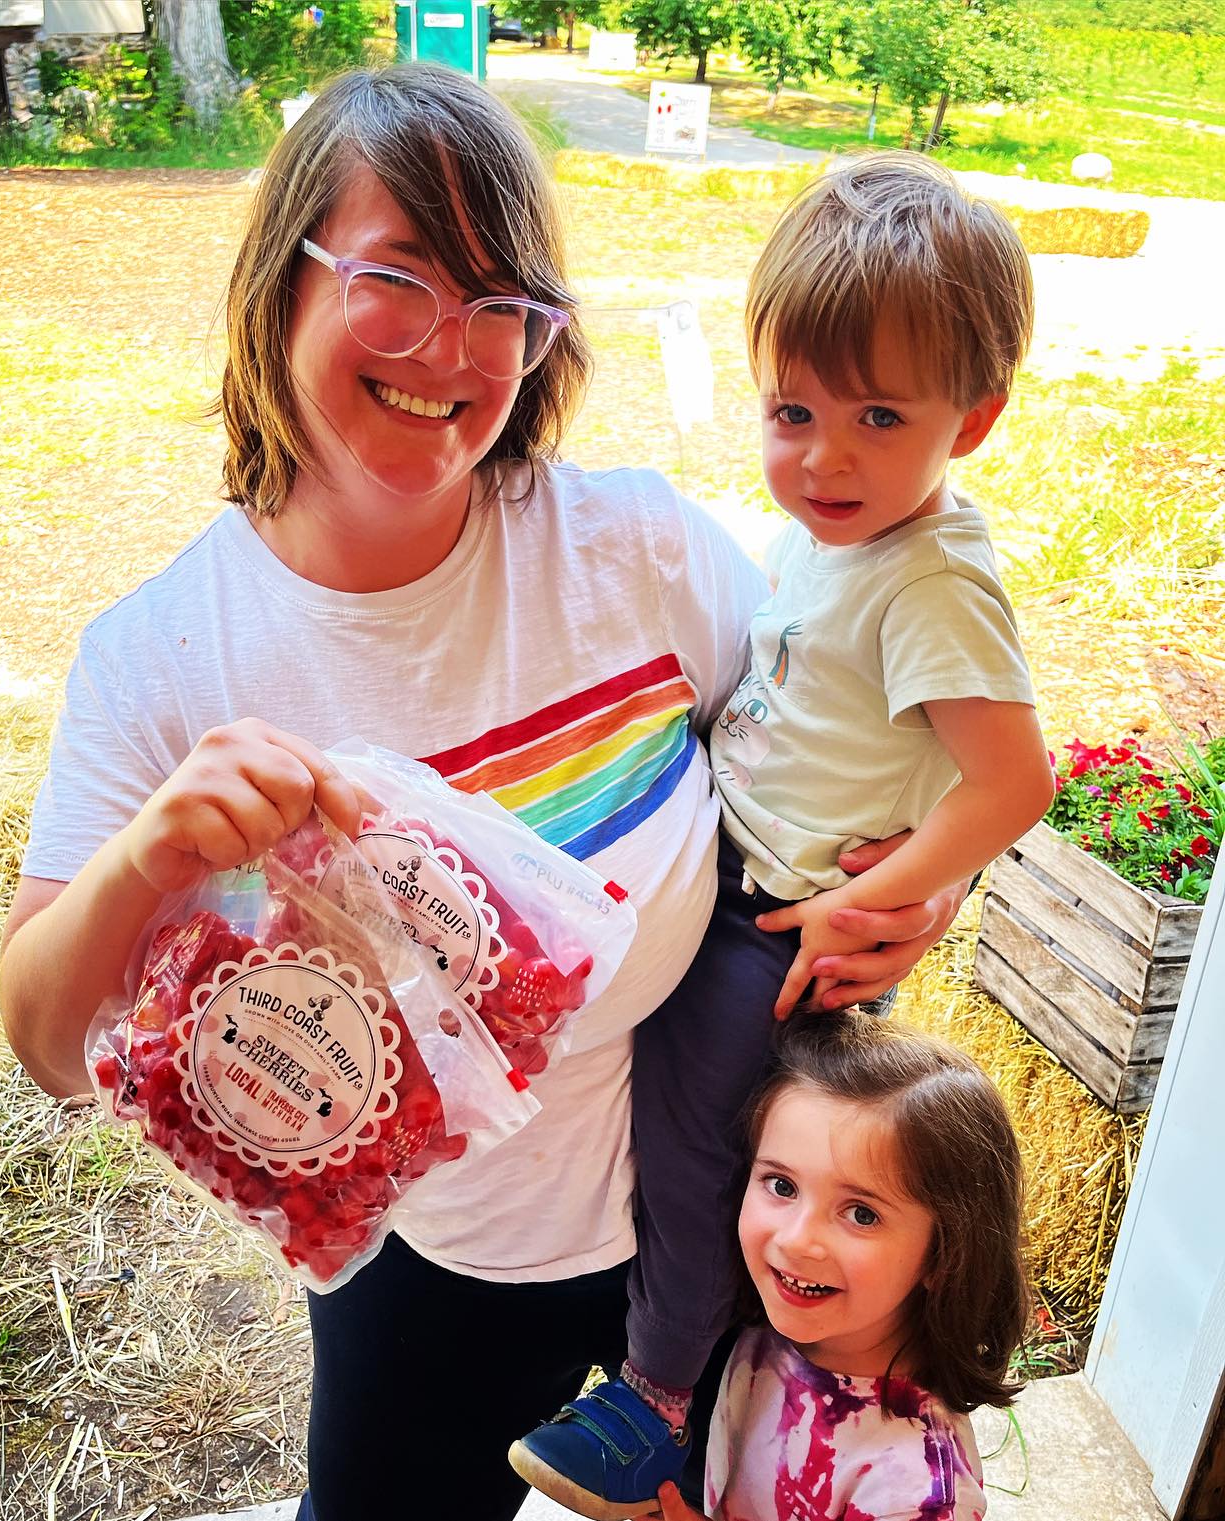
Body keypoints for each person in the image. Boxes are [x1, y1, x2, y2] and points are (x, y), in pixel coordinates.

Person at [0, 69, 968, 1521]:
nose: (450, 353)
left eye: (501, 305)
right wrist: (148, 858)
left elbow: (849, 755)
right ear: (282, 289)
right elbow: (44, 1041)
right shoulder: (165, 656)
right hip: (429, 1269)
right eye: (398, 279)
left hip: (728, 1248)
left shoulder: (635, 549)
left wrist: (928, 890)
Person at [511, 154, 1054, 1517]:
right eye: (792, 409)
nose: (825, 455)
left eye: (878, 414)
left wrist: (891, 893)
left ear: (971, 423)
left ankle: (651, 1401)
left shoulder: (928, 575)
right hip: (752, 878)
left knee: (704, 1146)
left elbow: (1013, 782)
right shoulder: (843, 527)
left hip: (780, 923)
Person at [653, 1011, 1031, 1521]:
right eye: (782, 1185)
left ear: (947, 1254)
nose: (797, 1239)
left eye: (861, 1214)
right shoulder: (772, 1329)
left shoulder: (918, 1493)